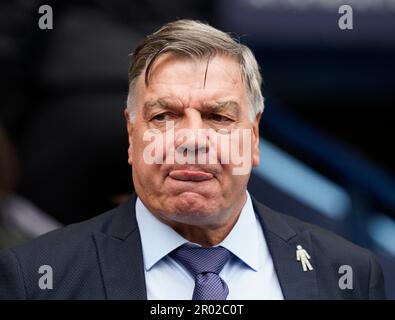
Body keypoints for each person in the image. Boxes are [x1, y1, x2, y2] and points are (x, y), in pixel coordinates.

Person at [0, 19, 385, 300]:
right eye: (163, 116)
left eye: (218, 117)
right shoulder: (35, 279)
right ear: (132, 136)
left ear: (253, 138)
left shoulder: (346, 273)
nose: (191, 140)